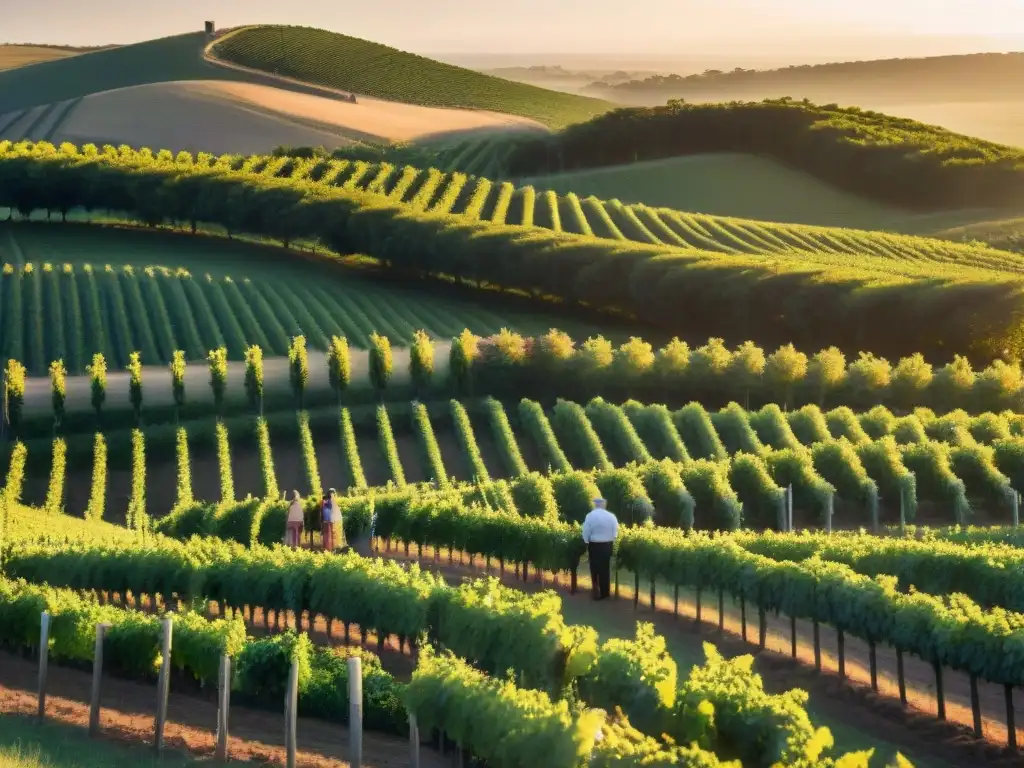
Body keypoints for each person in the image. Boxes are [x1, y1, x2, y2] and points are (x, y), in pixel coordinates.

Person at [582, 498, 619, 601]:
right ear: (604, 505)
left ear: (595, 505)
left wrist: (586, 542)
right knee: (605, 569)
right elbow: (615, 532)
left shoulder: (590, 516)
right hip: (607, 545)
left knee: (594, 568)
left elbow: (586, 531)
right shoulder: (611, 516)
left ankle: (595, 590)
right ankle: (605, 593)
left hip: (594, 545)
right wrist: (610, 539)